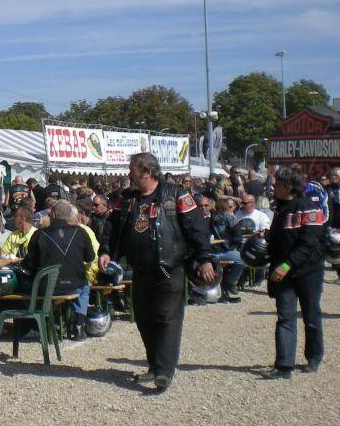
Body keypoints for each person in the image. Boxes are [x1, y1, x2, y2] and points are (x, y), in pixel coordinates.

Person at [100, 152, 214, 392]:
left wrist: (204, 258)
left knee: (167, 319)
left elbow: (197, 228)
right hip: (139, 269)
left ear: (147, 172)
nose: (128, 173)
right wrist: (106, 250)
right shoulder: (127, 198)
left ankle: (164, 371)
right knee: (144, 318)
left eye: (132, 169)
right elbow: (112, 226)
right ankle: (154, 365)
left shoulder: (176, 194)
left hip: (169, 268)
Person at [262, 165, 326, 379]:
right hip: (283, 273)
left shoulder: (309, 208)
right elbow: (281, 239)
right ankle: (284, 365)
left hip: (307, 271)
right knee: (285, 316)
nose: (274, 188)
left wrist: (287, 264)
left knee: (311, 315)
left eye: (277, 184)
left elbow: (309, 243)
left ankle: (314, 357)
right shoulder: (280, 209)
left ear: (288, 186)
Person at [22, 199, 94, 341]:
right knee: (85, 288)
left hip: (46, 287)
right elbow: (90, 257)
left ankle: (35, 326)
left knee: (25, 286)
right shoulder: (80, 232)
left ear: (53, 215)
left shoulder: (39, 234)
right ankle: (79, 325)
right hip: (75, 285)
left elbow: (28, 264)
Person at [205, 197, 245, 303]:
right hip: (225, 251)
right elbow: (238, 237)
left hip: (210, 252)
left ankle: (223, 285)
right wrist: (232, 246)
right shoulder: (230, 218)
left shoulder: (207, 218)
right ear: (227, 207)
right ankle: (230, 282)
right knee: (241, 260)